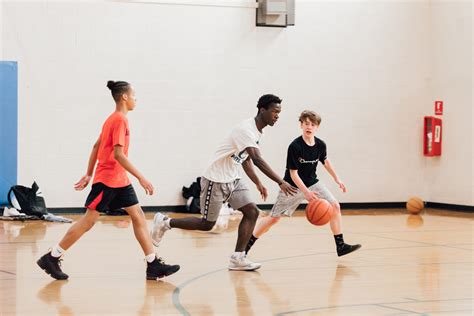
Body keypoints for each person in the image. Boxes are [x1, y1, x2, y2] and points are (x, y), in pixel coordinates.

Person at [37, 81, 180, 280]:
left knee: (138, 215)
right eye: (134, 95)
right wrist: (141, 177)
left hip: (120, 179)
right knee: (88, 221)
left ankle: (153, 263)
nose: (136, 99)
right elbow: (119, 155)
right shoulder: (119, 120)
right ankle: (52, 257)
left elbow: (97, 145)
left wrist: (88, 173)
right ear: (124, 97)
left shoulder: (111, 119)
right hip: (108, 180)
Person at [151, 94, 297, 271]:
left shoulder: (260, 131)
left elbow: (246, 158)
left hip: (233, 179)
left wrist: (257, 182)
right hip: (216, 179)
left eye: (279, 112)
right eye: (274, 111)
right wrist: (280, 182)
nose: (277, 116)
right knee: (207, 224)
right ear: (262, 110)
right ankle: (165, 222)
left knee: (251, 212)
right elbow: (257, 159)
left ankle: (238, 258)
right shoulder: (246, 129)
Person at [245, 110, 361, 257]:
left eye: (313, 124)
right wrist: (305, 193)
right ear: (301, 125)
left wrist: (337, 179)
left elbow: (325, 161)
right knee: (273, 218)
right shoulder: (295, 146)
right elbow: (293, 174)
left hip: (312, 183)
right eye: (306, 123)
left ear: (317, 127)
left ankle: (340, 246)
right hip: (292, 186)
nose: (309, 126)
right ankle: (245, 246)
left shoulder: (320, 145)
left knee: (335, 206)